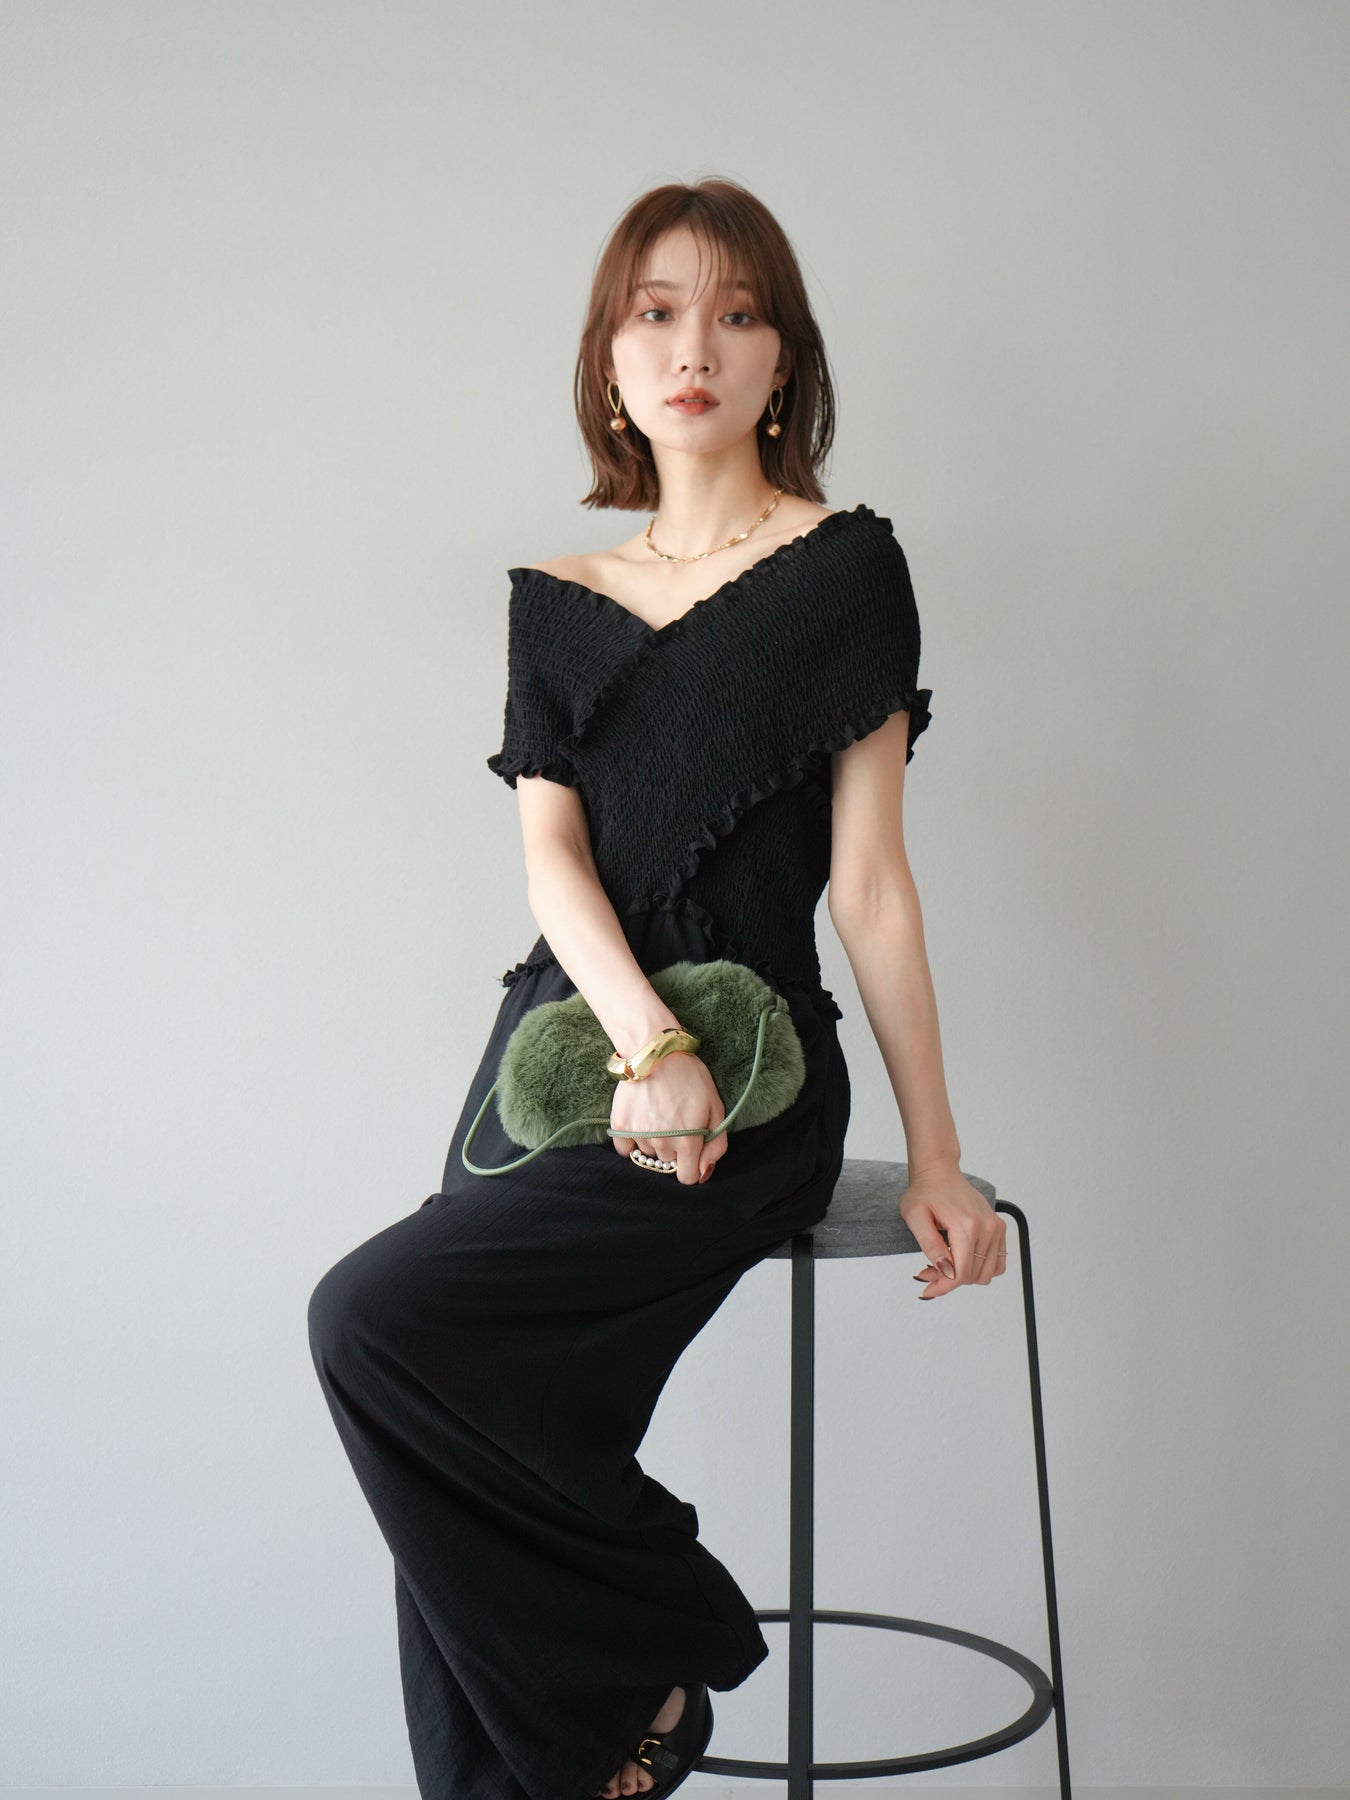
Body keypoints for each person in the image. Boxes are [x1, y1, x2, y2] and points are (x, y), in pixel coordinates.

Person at [307, 176, 1007, 1800]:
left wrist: (939, 1152)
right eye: (658, 313)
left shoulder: (844, 570)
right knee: (462, 1414)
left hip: (755, 1080)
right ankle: (605, 1722)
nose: (696, 347)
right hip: (559, 1059)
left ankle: (665, 1641)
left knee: (370, 1322)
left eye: (738, 315)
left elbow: (870, 887)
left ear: (784, 362)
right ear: (609, 363)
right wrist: (643, 1042)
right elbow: (552, 866)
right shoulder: (553, 604)